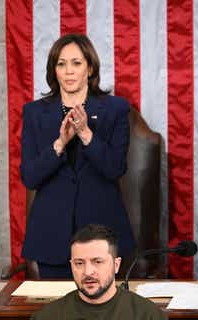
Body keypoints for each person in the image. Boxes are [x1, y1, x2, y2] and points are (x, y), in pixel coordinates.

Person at [20, 34, 135, 278]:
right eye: (61, 64)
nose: (68, 71)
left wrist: (85, 134)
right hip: (51, 234)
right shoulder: (34, 113)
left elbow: (115, 168)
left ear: (90, 68)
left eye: (76, 63)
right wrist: (60, 143)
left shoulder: (116, 109)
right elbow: (30, 177)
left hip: (102, 233)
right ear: (54, 70)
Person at [31, 224, 167, 320]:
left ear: (116, 265)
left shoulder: (147, 315)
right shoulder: (48, 316)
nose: (88, 272)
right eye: (79, 263)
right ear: (71, 265)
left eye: (97, 262)